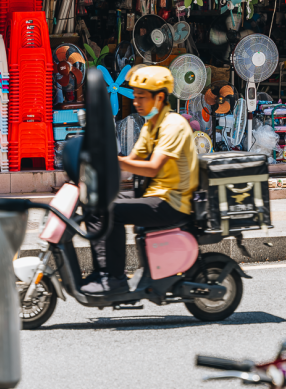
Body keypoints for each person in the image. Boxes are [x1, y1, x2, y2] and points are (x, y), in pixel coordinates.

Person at [82, 65, 199, 293]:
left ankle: (115, 279)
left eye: (142, 97)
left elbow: (153, 168)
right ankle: (102, 270)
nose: (136, 102)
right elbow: (132, 161)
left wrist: (114, 161)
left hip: (171, 202)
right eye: (135, 97)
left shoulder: (172, 125)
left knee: (112, 211)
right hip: (153, 193)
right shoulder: (150, 125)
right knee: (96, 204)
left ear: (160, 97)